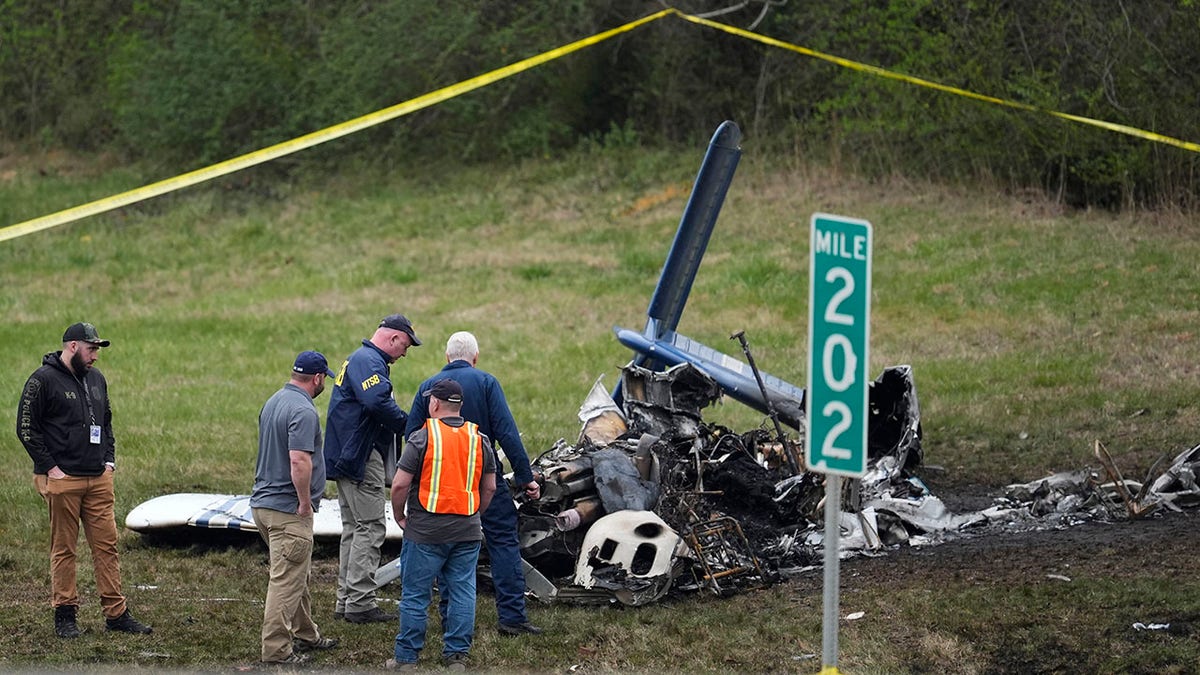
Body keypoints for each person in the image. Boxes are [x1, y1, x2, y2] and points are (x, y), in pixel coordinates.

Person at [16, 322, 152, 638]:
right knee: (64, 549)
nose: (96, 356)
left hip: (98, 479)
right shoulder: (42, 381)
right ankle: (65, 615)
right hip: (63, 480)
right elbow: (26, 429)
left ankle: (116, 614)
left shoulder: (97, 380)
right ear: (73, 346)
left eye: (97, 350)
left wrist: (109, 460)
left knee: (107, 547)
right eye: (92, 349)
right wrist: (50, 468)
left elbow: (106, 422)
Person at [405, 330, 543, 637]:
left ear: (447, 358)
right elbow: (506, 432)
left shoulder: (429, 387)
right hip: (481, 480)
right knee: (503, 542)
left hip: (439, 486)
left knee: (443, 548)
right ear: (475, 358)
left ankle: (448, 618)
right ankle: (512, 617)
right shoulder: (486, 382)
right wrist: (525, 477)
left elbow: (412, 436)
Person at [388, 379, 496, 670]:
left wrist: (399, 515)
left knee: (415, 594)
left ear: (434, 403)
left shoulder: (422, 438)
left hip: (425, 531)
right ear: (459, 406)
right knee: (462, 590)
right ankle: (456, 656)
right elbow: (490, 488)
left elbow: (399, 485)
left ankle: (406, 658)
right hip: (467, 530)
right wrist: (476, 513)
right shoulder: (479, 439)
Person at [324, 313, 421, 623]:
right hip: (361, 457)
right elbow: (376, 402)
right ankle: (361, 603)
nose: (404, 353)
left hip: (346, 455)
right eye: (404, 346)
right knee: (371, 526)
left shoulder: (358, 359)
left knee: (354, 527)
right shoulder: (369, 360)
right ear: (392, 338)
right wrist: (411, 426)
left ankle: (347, 600)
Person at [250, 351, 340, 665]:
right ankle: (276, 651)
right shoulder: (304, 411)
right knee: (285, 581)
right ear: (317, 378)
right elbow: (299, 460)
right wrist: (304, 502)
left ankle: (306, 634)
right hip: (288, 510)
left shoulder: (273, 401)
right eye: (323, 380)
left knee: (293, 574)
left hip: (263, 506)